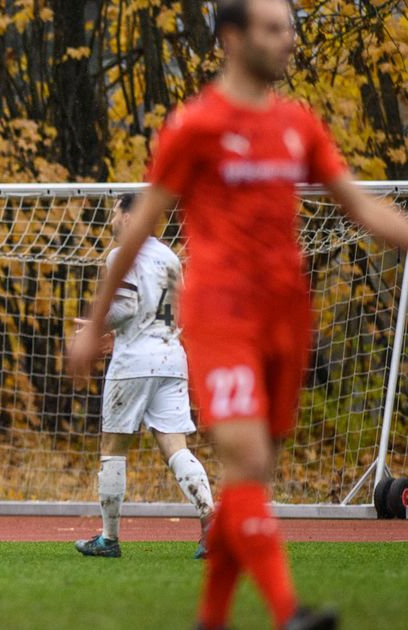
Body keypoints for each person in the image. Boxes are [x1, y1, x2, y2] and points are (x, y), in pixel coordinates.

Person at [67, 1, 408, 627]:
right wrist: (92, 326)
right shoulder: (195, 126)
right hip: (220, 313)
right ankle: (288, 612)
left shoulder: (297, 124)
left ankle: (211, 617)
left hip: (286, 314)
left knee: (251, 479)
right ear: (232, 38)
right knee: (248, 462)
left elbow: (363, 207)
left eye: (291, 29)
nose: (289, 41)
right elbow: (138, 227)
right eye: (275, 29)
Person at [73, 193, 214, 560]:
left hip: (134, 363)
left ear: (129, 216)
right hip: (171, 358)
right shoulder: (168, 256)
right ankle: (210, 520)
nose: (111, 221)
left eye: (114, 213)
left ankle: (108, 538)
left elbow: (125, 306)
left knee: (113, 447)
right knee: (175, 447)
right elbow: (168, 311)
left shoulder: (122, 254)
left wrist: (93, 329)